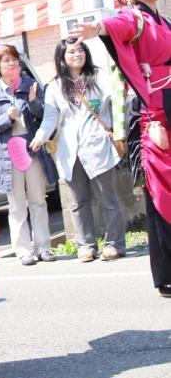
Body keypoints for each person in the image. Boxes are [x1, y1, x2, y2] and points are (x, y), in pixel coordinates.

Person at [72, 0, 171, 296]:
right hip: (153, 109)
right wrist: (98, 26)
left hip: (168, 103)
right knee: (162, 192)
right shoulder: (137, 17)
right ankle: (167, 274)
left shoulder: (164, 20)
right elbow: (116, 23)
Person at [29, 39, 126, 262]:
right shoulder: (54, 86)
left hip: (99, 146)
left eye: (80, 50)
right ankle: (86, 246)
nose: (77, 54)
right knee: (79, 201)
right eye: (71, 51)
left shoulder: (100, 77)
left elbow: (120, 98)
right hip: (70, 150)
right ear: (62, 57)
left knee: (109, 198)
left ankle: (115, 244)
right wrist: (40, 137)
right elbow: (51, 118)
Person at [0, 44, 56, 266]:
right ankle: (23, 250)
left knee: (38, 201)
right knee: (16, 205)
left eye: (14, 59)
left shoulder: (31, 86)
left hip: (31, 150)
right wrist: (7, 117)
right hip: (8, 155)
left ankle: (44, 247)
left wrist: (33, 102)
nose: (12, 63)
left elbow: (46, 115)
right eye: (6, 60)